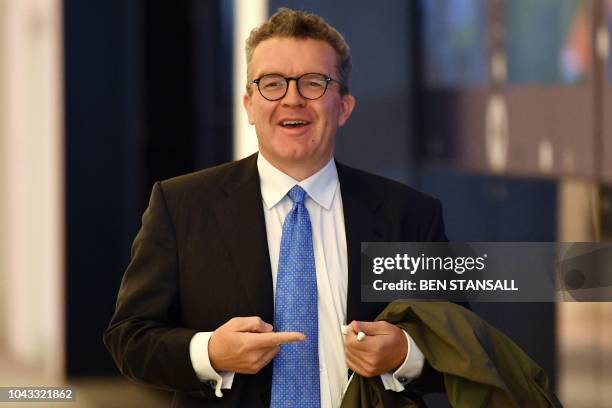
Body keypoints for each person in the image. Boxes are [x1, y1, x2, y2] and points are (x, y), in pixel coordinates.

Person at [104, 8, 450, 407]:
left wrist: (405, 354)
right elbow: (129, 338)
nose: (292, 99)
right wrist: (210, 352)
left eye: (314, 83)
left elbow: (456, 349)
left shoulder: (409, 214)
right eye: (272, 84)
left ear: (343, 107)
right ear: (249, 105)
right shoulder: (182, 206)